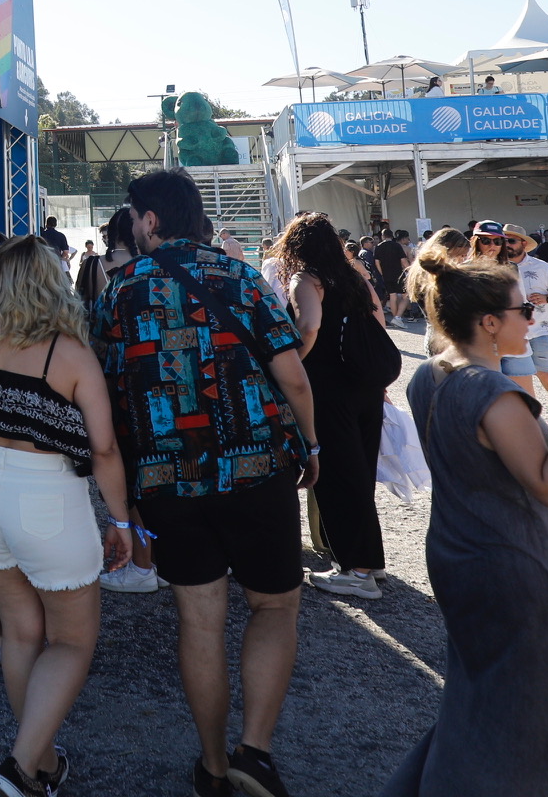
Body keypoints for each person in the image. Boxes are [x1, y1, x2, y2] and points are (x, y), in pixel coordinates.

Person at [91, 172, 318, 797]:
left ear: (151, 220)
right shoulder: (241, 278)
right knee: (274, 606)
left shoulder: (119, 291)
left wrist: (124, 497)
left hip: (167, 477)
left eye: (135, 215)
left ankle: (214, 766)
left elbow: (107, 394)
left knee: (199, 623)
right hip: (256, 467)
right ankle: (255, 751)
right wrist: (312, 443)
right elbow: (293, 376)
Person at [378, 255, 548, 797]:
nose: (531, 318)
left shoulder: (429, 374)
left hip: (459, 552)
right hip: (514, 564)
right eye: (522, 310)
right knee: (527, 722)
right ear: (489, 322)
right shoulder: (492, 392)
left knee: (475, 700)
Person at [0, 236, 136, 797]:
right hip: (45, 495)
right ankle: (22, 763)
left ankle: (39, 761)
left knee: (20, 631)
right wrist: (121, 520)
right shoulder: (71, 354)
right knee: (72, 642)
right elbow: (103, 449)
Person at [278, 214, 395, 600]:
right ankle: (370, 561)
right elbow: (378, 322)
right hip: (366, 384)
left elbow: (309, 326)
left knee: (338, 476)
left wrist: (291, 364)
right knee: (361, 474)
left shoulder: (306, 279)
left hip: (329, 388)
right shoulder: (354, 277)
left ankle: (356, 570)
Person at [501, 224, 548, 413]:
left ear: (524, 243)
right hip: (509, 334)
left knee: (547, 375)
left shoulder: (542, 267)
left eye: (511, 241)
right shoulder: (495, 267)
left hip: (539, 329)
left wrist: (547, 298)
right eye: (503, 241)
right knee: (516, 378)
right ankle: (526, 415)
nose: (506, 245)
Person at [407, 228, 469, 347]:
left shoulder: (422, 271)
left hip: (435, 333)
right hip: (445, 338)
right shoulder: (438, 275)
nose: (463, 259)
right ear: (447, 249)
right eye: (461, 255)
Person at [372, 228, 409, 325]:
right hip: (398, 274)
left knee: (392, 296)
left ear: (382, 236)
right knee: (406, 295)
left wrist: (382, 273)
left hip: (386, 275)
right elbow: (403, 260)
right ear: (392, 236)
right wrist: (409, 270)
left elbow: (377, 262)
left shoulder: (378, 247)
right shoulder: (397, 245)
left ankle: (395, 317)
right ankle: (398, 317)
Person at [73, 239, 103, 304]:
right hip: (84, 271)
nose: (90, 248)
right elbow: (80, 262)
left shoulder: (96, 254)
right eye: (88, 247)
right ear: (86, 247)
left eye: (91, 247)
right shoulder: (83, 254)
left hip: (93, 272)